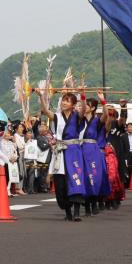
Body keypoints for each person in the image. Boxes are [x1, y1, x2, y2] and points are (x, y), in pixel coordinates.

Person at [38, 91, 88, 222]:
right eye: (63, 100)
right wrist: (40, 96)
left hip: (74, 152)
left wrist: (83, 97)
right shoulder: (56, 116)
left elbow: (83, 110)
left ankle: (76, 212)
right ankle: (67, 212)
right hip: (60, 151)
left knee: (76, 180)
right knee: (60, 184)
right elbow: (45, 110)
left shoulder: (77, 116)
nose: (64, 102)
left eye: (67, 100)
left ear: (73, 104)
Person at [81, 96, 108, 216]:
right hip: (81, 150)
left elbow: (106, 114)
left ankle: (94, 202)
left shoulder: (97, 121)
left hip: (93, 150)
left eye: (86, 105)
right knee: (84, 178)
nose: (84, 107)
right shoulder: (79, 120)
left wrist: (103, 101)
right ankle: (86, 205)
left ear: (92, 108)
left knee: (94, 177)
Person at [120, 123, 132, 187]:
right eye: (129, 127)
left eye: (131, 127)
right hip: (127, 155)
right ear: (127, 128)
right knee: (126, 169)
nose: (130, 128)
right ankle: (126, 184)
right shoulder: (123, 136)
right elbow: (121, 147)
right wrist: (123, 156)